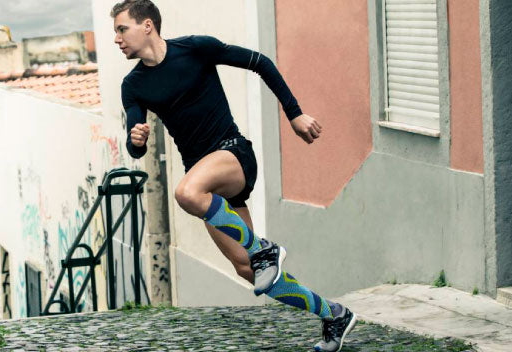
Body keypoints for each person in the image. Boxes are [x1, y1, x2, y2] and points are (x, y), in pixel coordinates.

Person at [110, 1, 355, 350]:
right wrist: (136, 141)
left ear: (147, 25)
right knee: (247, 268)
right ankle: (333, 314)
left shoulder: (195, 49)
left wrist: (295, 114)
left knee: (186, 193)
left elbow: (260, 62)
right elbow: (135, 146)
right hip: (205, 181)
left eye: (122, 29)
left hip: (233, 154)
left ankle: (264, 249)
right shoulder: (133, 85)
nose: (117, 39)